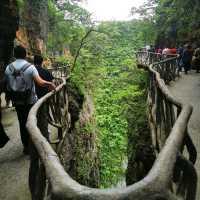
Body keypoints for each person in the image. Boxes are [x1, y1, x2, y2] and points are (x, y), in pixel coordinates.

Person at [4, 46, 56, 155]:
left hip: (17, 102)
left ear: (14, 54)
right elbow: (40, 82)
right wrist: (49, 83)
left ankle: (26, 146)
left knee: (22, 123)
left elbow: (7, 86)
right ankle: (35, 145)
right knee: (33, 122)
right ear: (25, 55)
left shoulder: (8, 68)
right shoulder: (30, 67)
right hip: (30, 101)